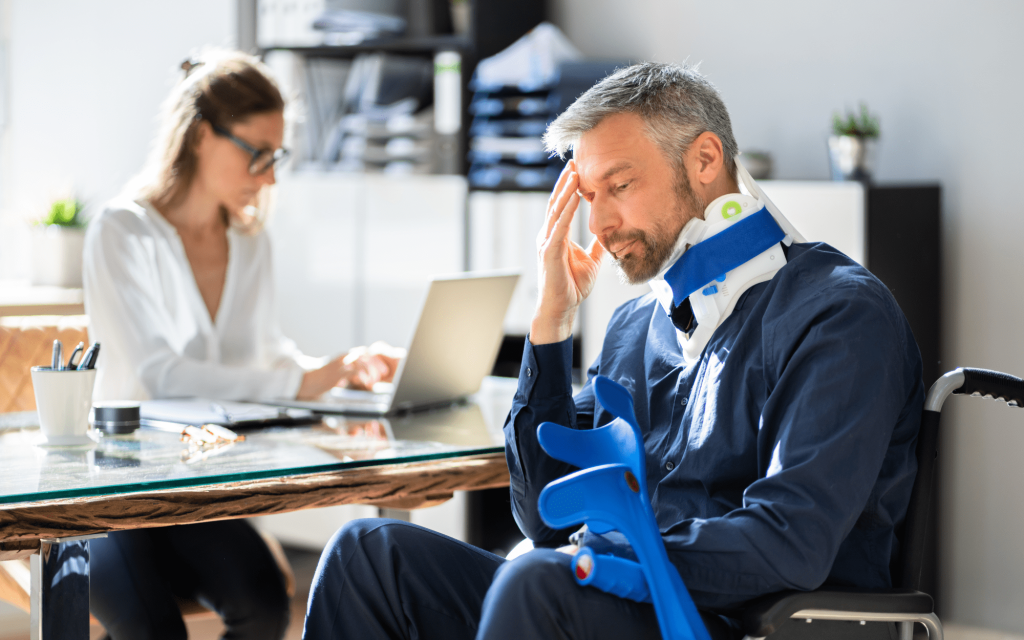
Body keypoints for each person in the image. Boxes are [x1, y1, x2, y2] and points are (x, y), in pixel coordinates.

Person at [301, 62, 924, 640]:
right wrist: (552, 325)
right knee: (369, 553)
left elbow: (792, 540)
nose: (596, 225)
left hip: (742, 621)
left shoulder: (839, 315)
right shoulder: (637, 328)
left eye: (619, 185)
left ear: (705, 159)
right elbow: (544, 518)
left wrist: (601, 558)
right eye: (588, 195)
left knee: (536, 580)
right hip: (616, 602)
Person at [82, 50, 397, 640]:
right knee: (156, 631)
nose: (270, 175)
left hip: (196, 495)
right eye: (258, 153)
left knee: (266, 606)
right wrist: (301, 381)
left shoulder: (250, 241)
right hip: (111, 499)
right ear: (203, 136)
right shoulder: (121, 232)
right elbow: (159, 376)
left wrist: (335, 369)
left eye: (276, 156)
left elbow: (264, 355)